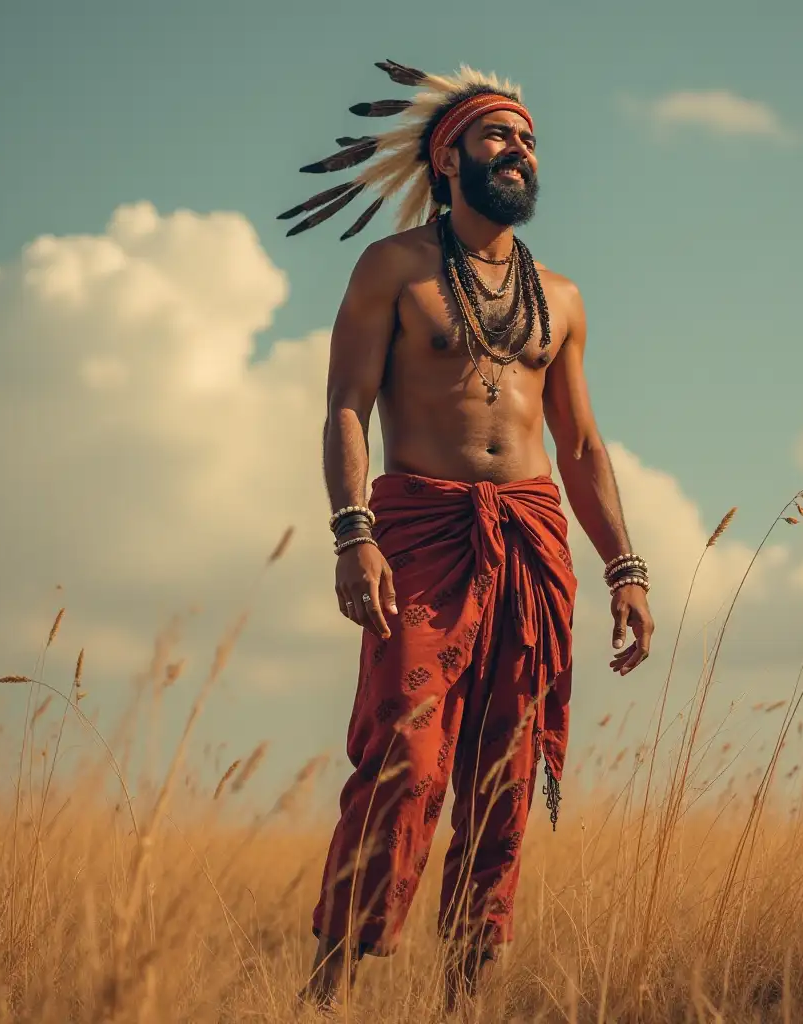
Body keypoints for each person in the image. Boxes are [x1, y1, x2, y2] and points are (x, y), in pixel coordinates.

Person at [280, 60, 655, 1010]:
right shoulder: (395, 268)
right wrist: (352, 532)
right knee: (406, 762)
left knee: (504, 782)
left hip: (530, 541)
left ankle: (464, 1003)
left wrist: (625, 567)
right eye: (498, 136)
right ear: (450, 155)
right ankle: (324, 994)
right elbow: (345, 406)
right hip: (422, 534)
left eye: (529, 140)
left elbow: (577, 443)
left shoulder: (559, 297)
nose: (519, 152)